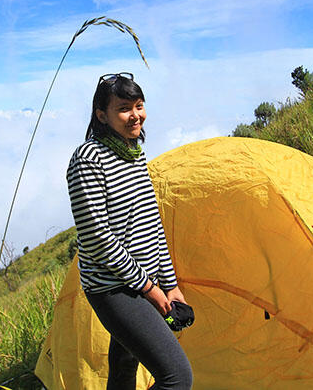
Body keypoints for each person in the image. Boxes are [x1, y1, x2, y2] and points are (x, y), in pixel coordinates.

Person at [67, 72, 192, 390]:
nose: (135, 115)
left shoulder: (133, 153)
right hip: (113, 289)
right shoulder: (88, 160)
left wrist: (170, 285)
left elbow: (152, 225)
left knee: (123, 370)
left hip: (145, 282)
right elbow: (97, 238)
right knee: (177, 378)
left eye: (139, 105)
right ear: (101, 115)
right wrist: (150, 288)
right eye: (124, 108)